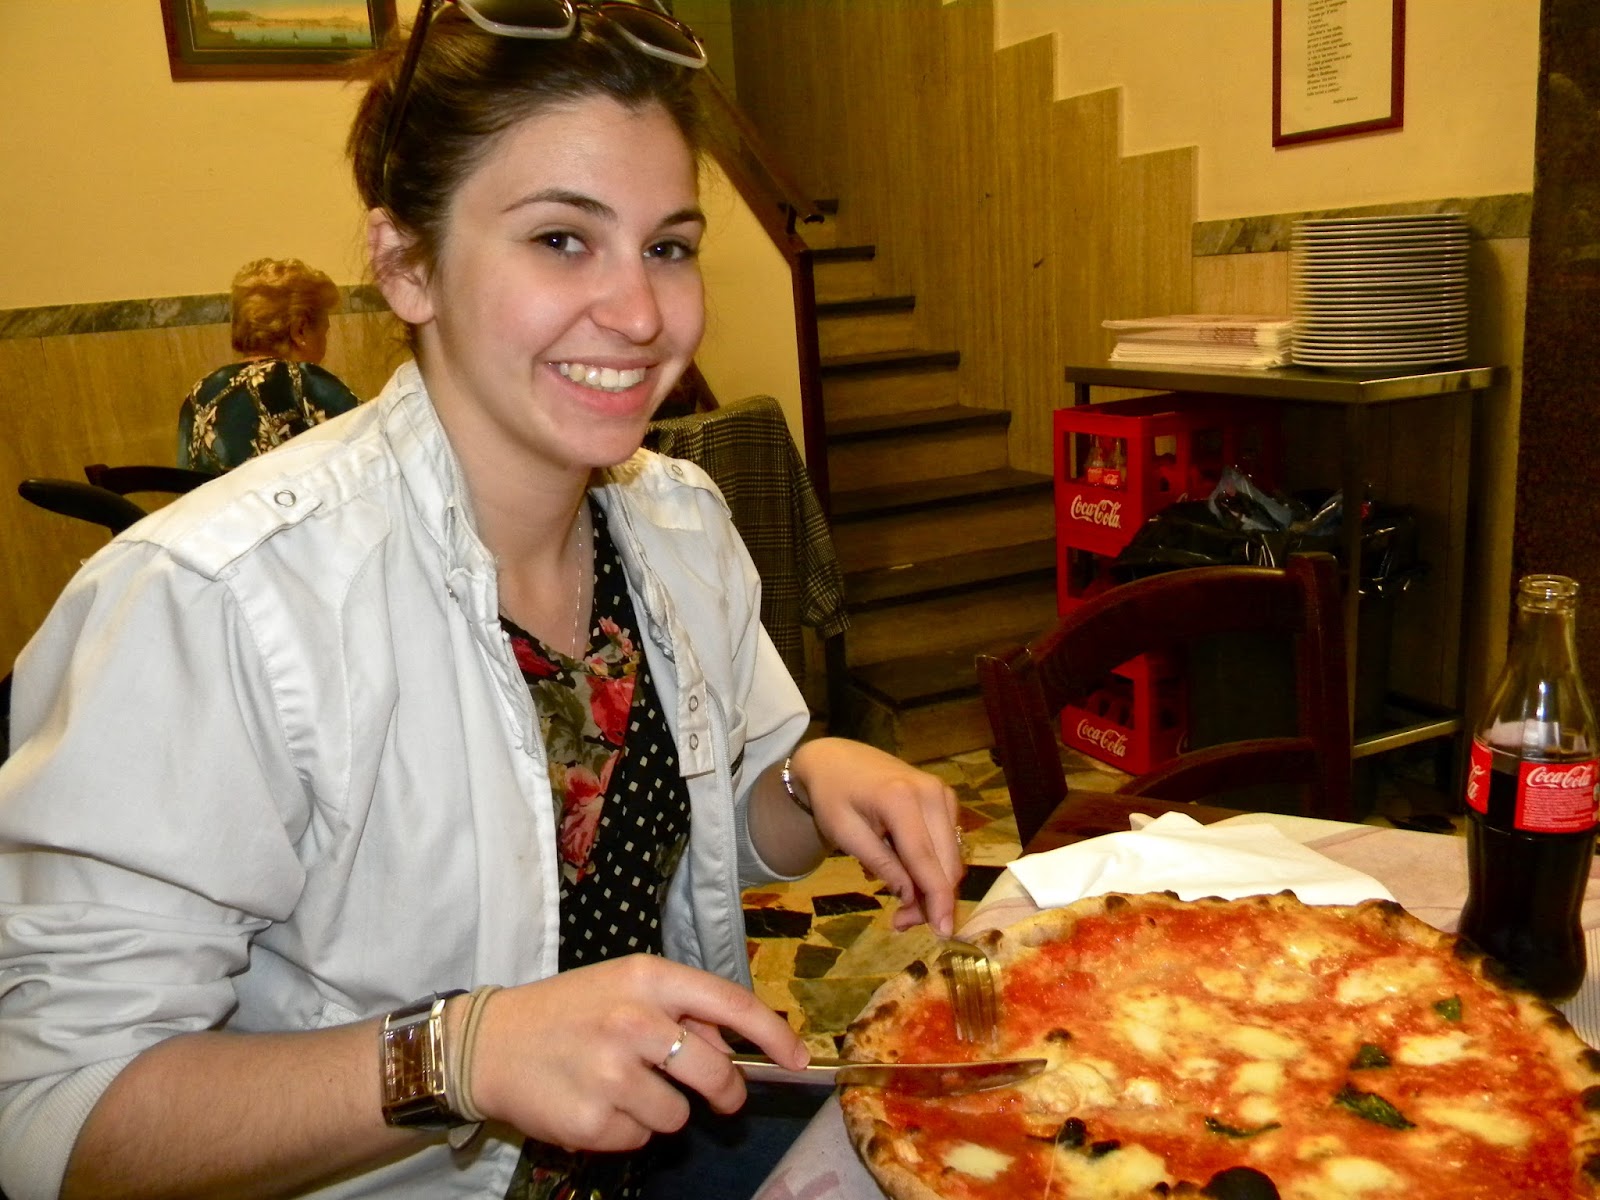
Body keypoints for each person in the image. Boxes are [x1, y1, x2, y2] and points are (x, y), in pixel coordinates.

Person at [0, 3, 965, 1198]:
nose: (641, 313)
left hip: (657, 1151)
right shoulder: (216, 602)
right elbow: (50, 1119)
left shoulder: (679, 525)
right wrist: (457, 1055)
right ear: (407, 265)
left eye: (668, 246)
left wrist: (810, 782)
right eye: (562, 239)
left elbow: (718, 830)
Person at [176, 256, 362, 473]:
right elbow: (372, 451)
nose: (326, 342)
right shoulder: (303, 381)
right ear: (300, 330)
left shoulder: (197, 394)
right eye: (324, 331)